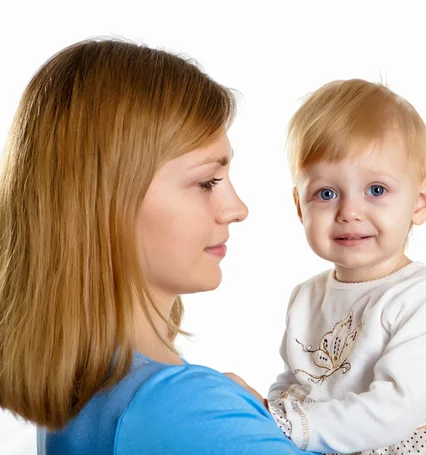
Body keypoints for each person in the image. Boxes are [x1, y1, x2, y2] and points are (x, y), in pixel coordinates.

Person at [0, 38, 320, 455]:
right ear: (107, 202)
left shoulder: (87, 397)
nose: (236, 209)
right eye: (207, 182)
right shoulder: (182, 407)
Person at [262, 80, 426, 454]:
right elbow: (296, 379)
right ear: (300, 207)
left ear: (420, 201)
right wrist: (267, 413)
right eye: (326, 194)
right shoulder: (307, 296)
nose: (349, 213)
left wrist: (291, 423)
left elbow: (396, 407)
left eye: (376, 190)